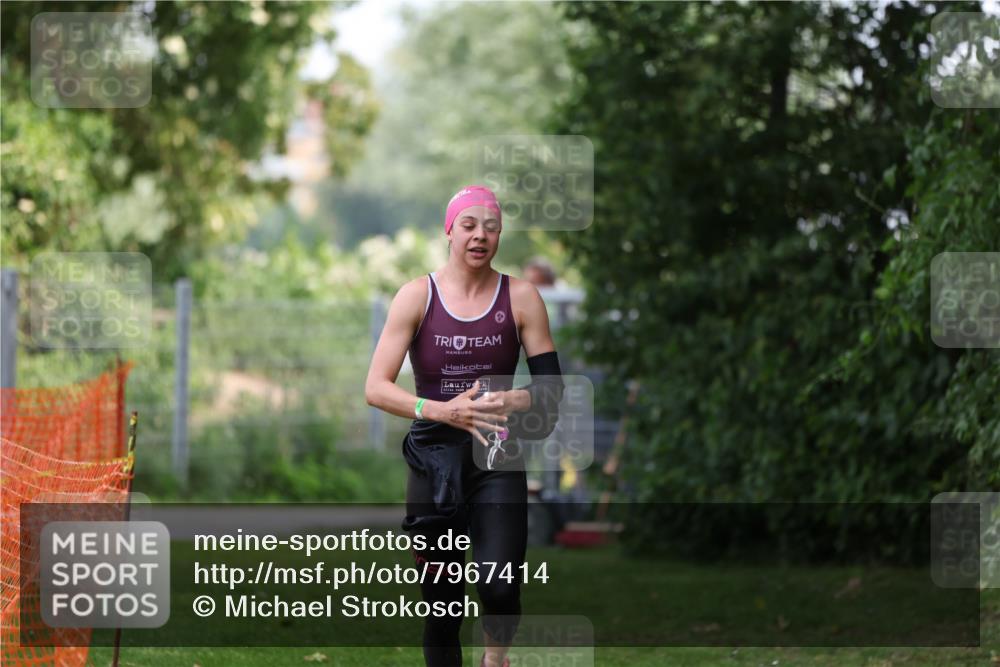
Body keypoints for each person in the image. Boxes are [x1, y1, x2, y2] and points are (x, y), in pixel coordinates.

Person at [365, 185, 564, 667]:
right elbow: (376, 387)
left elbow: (553, 392)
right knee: (442, 604)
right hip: (433, 457)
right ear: (449, 231)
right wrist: (441, 411)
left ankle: (496, 656)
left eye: (491, 227)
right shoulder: (416, 296)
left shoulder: (521, 297)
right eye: (470, 225)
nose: (481, 235)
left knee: (499, 584)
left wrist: (515, 398)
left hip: (497, 454)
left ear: (500, 235)